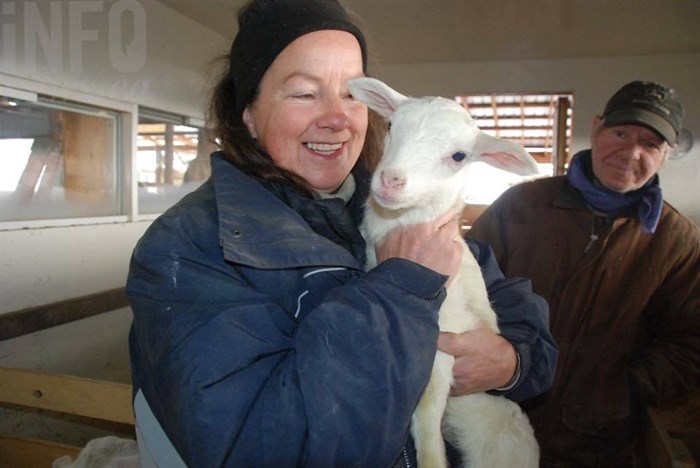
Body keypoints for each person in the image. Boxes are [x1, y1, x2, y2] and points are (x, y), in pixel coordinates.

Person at [126, 0, 557, 466]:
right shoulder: (186, 250)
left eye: (351, 94)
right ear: (248, 113)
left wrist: (511, 361)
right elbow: (261, 446)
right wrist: (400, 288)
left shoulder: (392, 207)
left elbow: (511, 304)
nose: (336, 117)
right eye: (304, 93)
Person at [470, 80, 700, 467]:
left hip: (596, 443)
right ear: (596, 127)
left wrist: (621, 392)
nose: (630, 153)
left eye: (650, 144)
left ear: (666, 155)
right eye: (621, 132)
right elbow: (463, 286)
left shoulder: (677, 242)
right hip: (494, 421)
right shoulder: (522, 204)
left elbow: (691, 341)